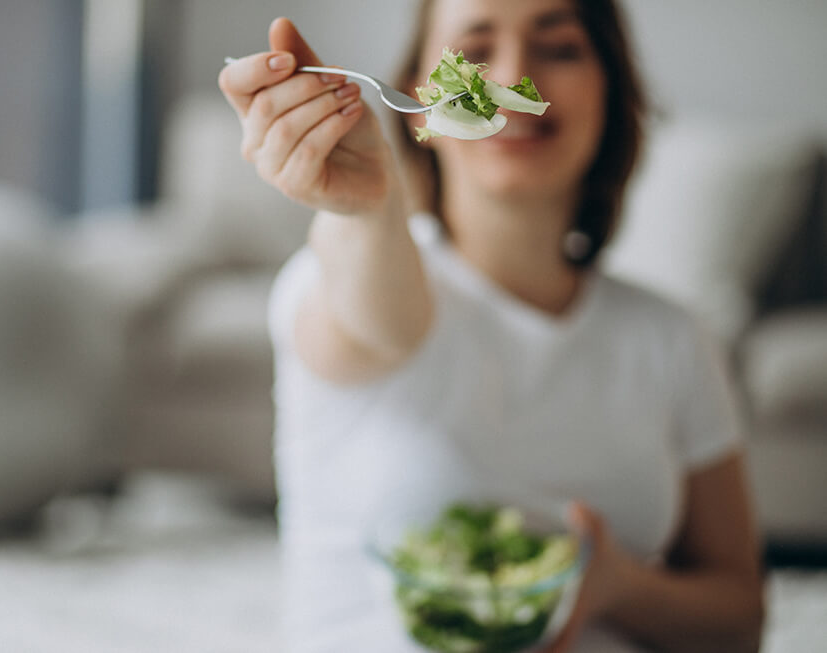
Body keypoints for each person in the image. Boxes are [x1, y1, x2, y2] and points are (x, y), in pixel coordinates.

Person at [218, 1, 764, 651]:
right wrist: (368, 211)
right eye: (474, 52)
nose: (510, 76)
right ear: (417, 101)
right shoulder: (339, 276)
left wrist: (617, 584)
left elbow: (738, 620)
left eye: (559, 49)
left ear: (611, 91)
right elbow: (382, 319)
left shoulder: (673, 338)